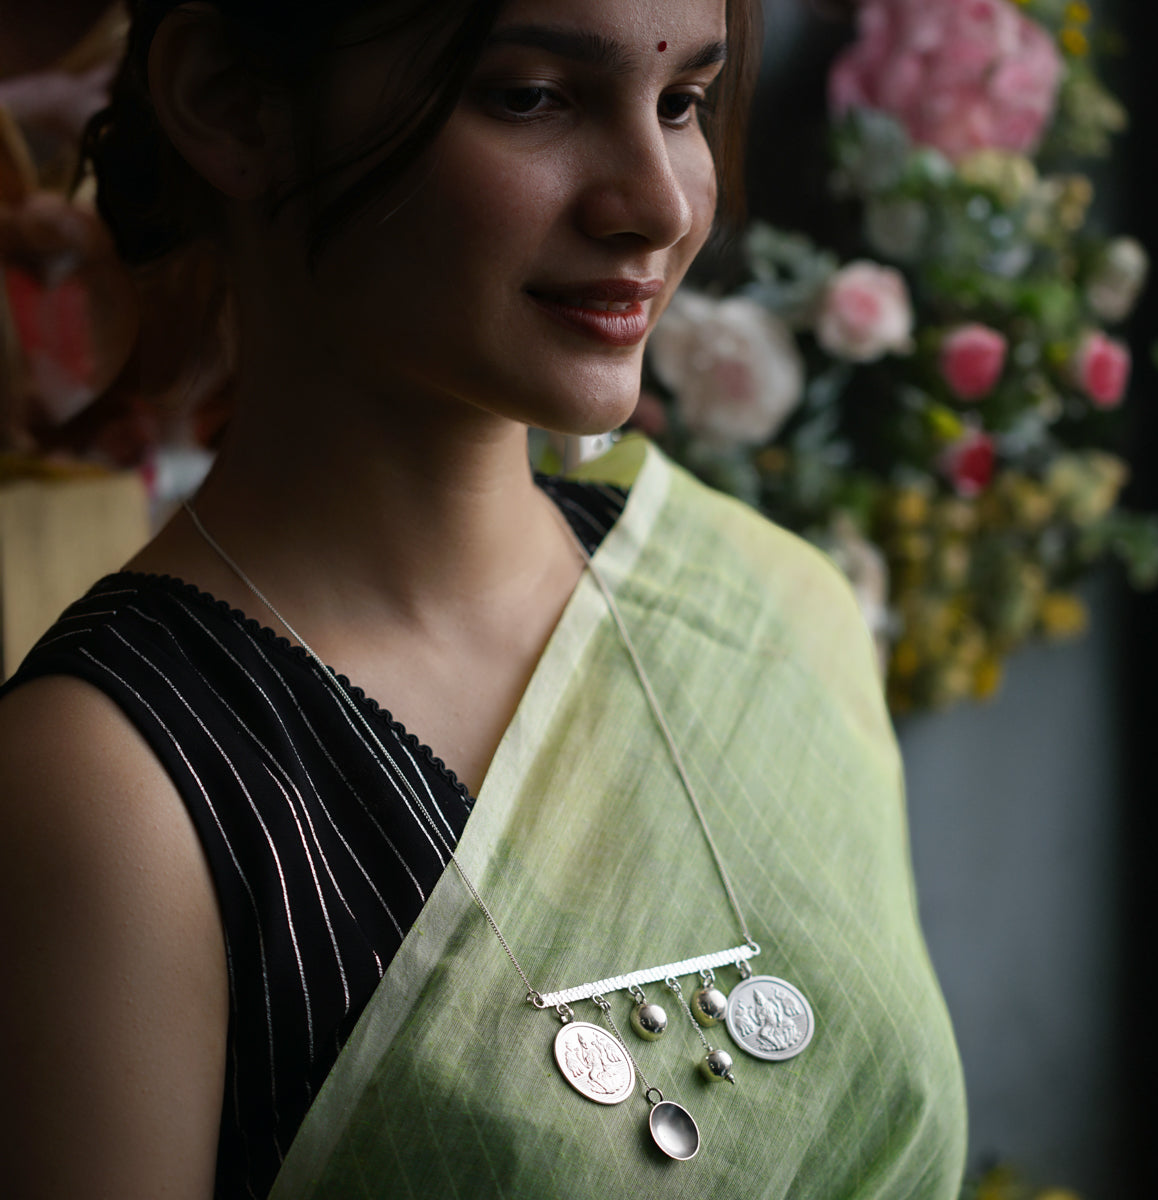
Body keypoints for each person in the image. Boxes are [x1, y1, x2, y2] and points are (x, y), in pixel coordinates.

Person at [0, 1, 967, 1196]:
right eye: (532, 97)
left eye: (683, 106)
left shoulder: (769, 606)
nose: (660, 204)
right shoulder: (113, 786)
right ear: (229, 101)